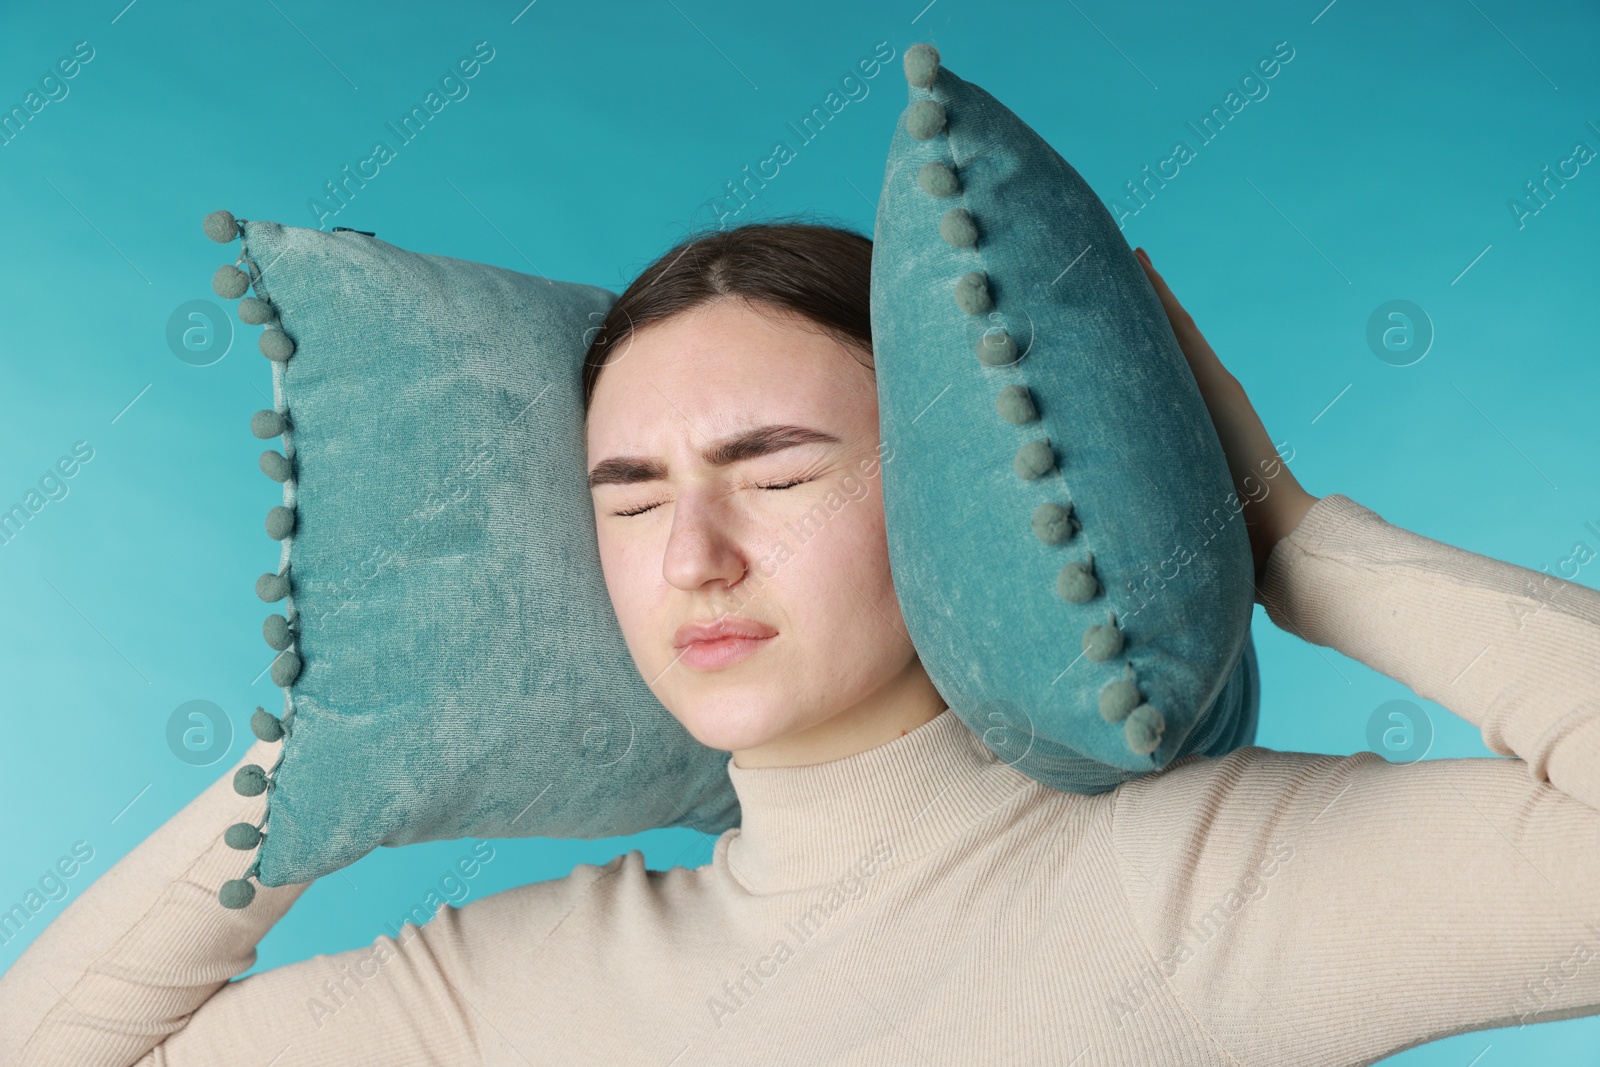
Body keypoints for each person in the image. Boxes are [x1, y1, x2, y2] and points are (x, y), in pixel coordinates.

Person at [2, 220, 1597, 1066]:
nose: (695, 555)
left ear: (952, 495)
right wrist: (332, 746)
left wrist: (1286, 536)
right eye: (627, 500)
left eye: (777, 470)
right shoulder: (522, 985)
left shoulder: (1200, 890)